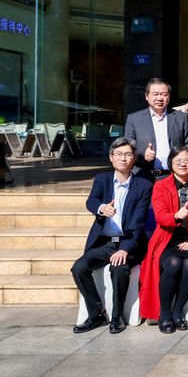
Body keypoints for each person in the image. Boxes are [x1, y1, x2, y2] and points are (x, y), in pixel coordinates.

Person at [71, 138, 153, 334]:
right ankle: (96, 313)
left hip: (130, 242)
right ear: (111, 157)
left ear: (134, 158)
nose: (123, 158)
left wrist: (124, 249)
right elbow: (91, 201)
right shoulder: (102, 179)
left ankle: (117, 317)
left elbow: (138, 221)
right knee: (79, 268)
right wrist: (102, 208)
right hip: (105, 243)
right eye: (119, 154)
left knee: (119, 269)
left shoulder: (143, 185)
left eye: (128, 154)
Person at [139, 146, 188, 333]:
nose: (183, 164)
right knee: (173, 263)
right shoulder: (160, 186)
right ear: (171, 164)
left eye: (186, 160)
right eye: (178, 160)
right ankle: (165, 314)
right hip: (167, 239)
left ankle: (178, 312)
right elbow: (160, 216)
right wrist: (176, 215)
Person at [124, 78, 188, 181]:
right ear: (147, 96)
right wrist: (142, 154)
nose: (159, 98)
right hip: (143, 176)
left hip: (174, 177)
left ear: (169, 97)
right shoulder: (134, 119)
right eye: (155, 94)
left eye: (164, 94)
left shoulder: (181, 118)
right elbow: (128, 148)